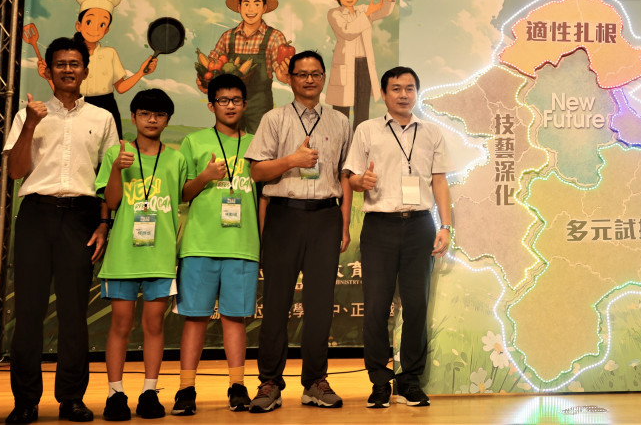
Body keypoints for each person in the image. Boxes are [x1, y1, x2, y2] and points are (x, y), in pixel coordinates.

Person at [4, 35, 117, 425]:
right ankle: (25, 401)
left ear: (85, 70)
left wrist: (103, 223)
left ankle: (71, 399)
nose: (68, 70)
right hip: (36, 215)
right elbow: (16, 172)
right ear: (49, 70)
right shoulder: (28, 114)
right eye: (60, 64)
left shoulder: (102, 119)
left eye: (75, 63)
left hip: (81, 218)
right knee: (29, 313)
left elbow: (108, 178)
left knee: (74, 314)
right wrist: (31, 125)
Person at [245, 51, 353, 412]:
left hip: (325, 217)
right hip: (284, 216)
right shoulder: (274, 119)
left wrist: (344, 223)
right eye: (302, 74)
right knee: (276, 304)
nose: (309, 80)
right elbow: (257, 172)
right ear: (289, 78)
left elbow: (344, 175)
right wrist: (292, 160)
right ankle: (269, 383)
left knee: (320, 305)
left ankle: (315, 382)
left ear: (323, 79)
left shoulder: (340, 122)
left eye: (315, 74)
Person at [346, 66, 453, 408]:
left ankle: (410, 381)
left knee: (416, 306)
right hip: (379, 226)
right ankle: (380, 381)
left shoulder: (432, 132)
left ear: (416, 93)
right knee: (376, 307)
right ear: (384, 93)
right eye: (396, 88)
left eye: (409, 88)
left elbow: (439, 181)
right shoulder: (367, 130)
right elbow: (351, 176)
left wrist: (446, 226)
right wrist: (360, 182)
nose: (403, 94)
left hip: (420, 226)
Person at [172, 74, 259, 416]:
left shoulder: (256, 144)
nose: (230, 106)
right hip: (200, 244)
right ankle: (185, 389)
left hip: (242, 245)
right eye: (223, 100)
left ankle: (237, 386)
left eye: (236, 100)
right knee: (195, 318)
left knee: (235, 318)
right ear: (211, 106)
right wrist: (206, 176)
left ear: (245, 104)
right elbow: (182, 193)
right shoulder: (194, 142)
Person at [96, 89, 185, 421]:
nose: (152, 119)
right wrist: (117, 169)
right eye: (145, 113)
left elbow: (184, 196)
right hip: (123, 256)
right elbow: (112, 202)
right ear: (133, 117)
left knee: (154, 324)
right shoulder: (117, 154)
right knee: (120, 323)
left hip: (159, 256)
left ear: (167, 120)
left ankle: (149, 391)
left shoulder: (175, 159)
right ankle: (115, 393)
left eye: (159, 114)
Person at [35, 0, 156, 137]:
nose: (95, 28)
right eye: (89, 21)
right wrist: (48, 77)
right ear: (79, 25)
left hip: (107, 106)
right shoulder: (70, 55)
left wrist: (141, 72)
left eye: (102, 24)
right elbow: (63, 89)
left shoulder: (110, 53)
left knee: (110, 149)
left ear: (107, 29)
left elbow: (120, 87)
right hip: (76, 105)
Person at [203, 0, 291, 133]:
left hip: (259, 105)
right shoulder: (227, 37)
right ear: (239, 7)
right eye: (246, 4)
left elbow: (280, 71)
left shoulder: (275, 37)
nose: (251, 9)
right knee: (228, 141)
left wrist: (285, 75)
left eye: (257, 4)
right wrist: (205, 79)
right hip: (230, 103)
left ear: (264, 8)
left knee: (260, 142)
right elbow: (212, 67)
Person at [325, 0, 394, 129]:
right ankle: (340, 142)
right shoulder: (334, 13)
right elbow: (347, 32)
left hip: (364, 65)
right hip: (345, 66)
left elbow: (384, 11)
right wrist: (368, 13)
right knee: (341, 111)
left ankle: (360, 140)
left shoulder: (362, 9)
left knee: (362, 108)